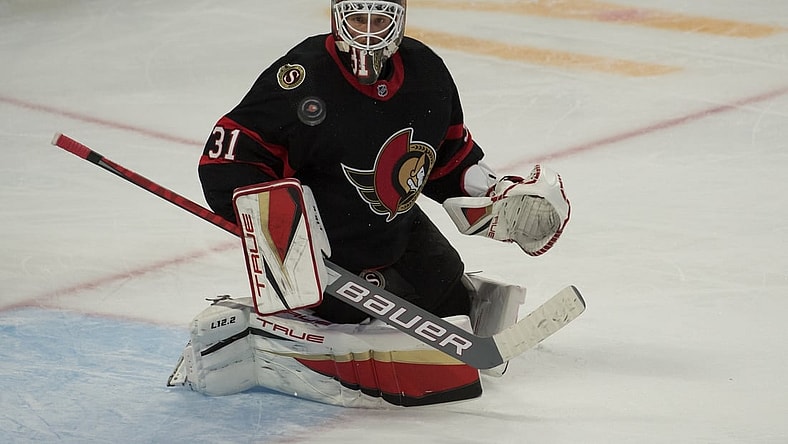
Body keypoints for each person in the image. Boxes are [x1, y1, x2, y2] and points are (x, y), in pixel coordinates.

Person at [197, 0, 570, 326]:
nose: (370, 34)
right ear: (338, 16)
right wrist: (273, 225)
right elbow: (230, 155)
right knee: (361, 314)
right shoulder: (304, 77)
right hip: (325, 251)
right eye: (359, 19)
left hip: (395, 230)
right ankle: (314, 319)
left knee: (447, 288)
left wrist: (490, 190)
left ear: (401, 18)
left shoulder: (426, 73)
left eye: (381, 21)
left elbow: (444, 157)